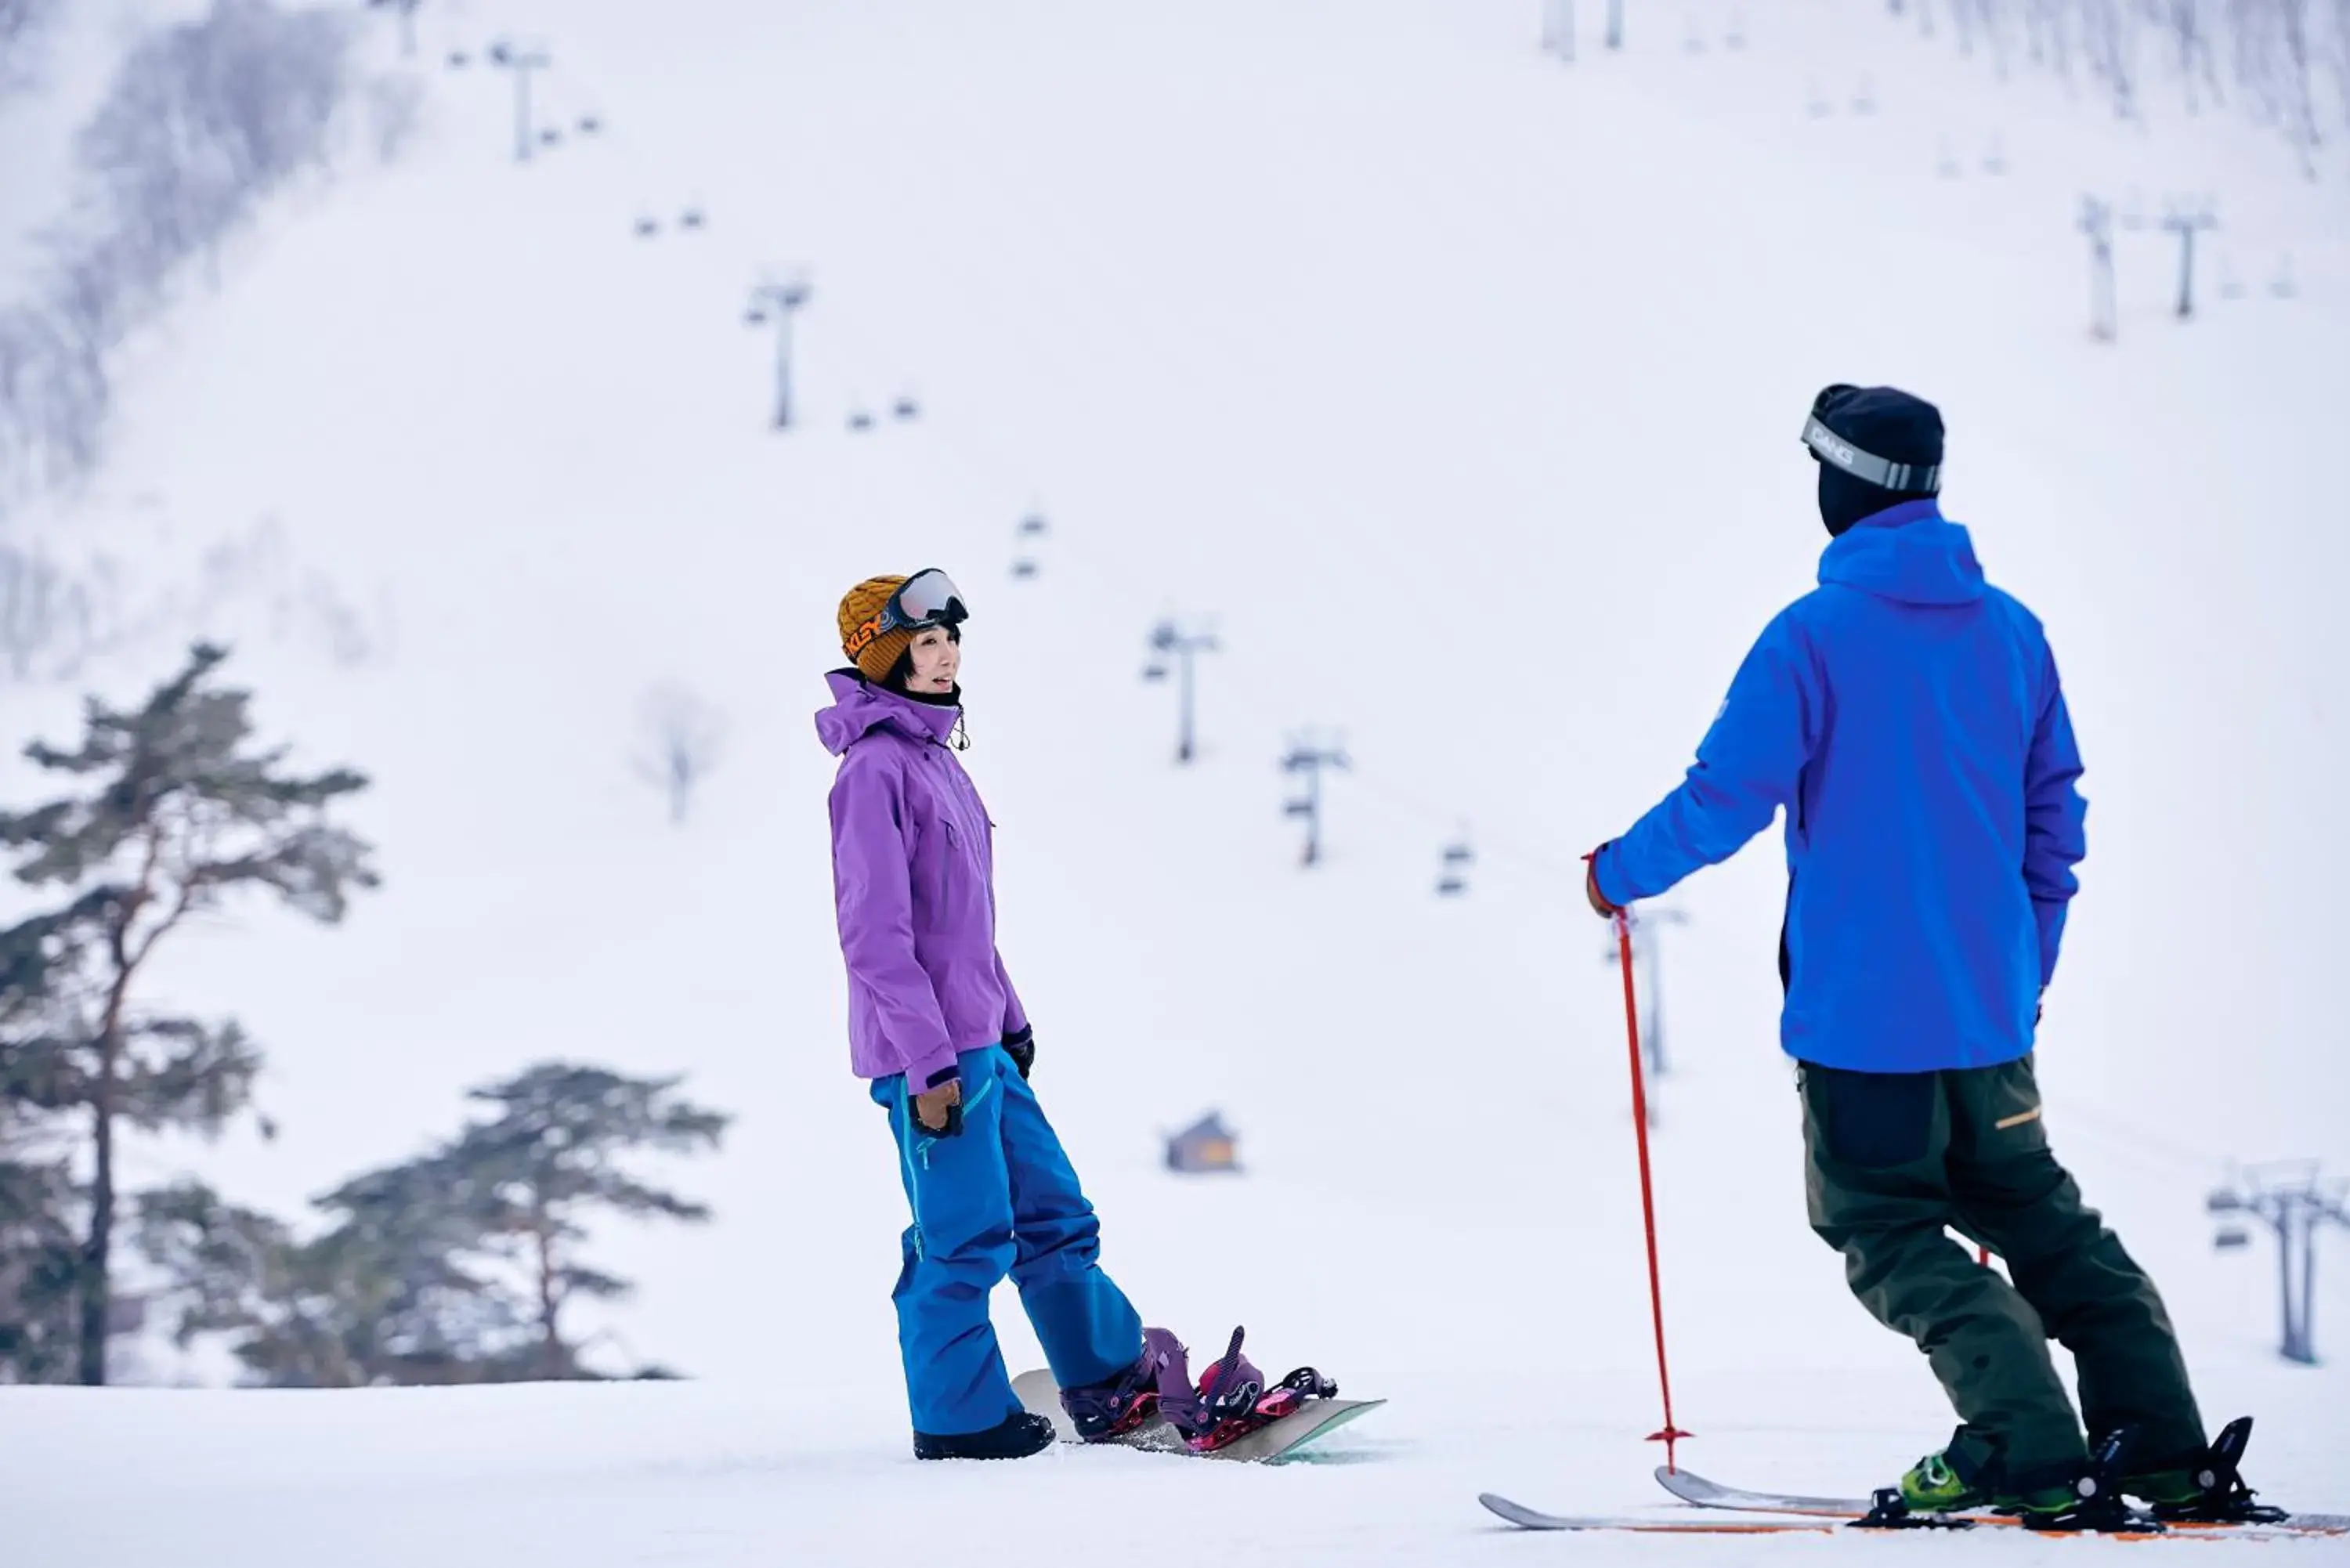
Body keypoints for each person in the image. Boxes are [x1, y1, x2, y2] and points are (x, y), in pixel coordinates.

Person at [1580, 388, 2269, 1528]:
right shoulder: (2013, 631)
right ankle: (2162, 1447)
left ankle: (2021, 1440)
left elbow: (1726, 797)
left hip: (1863, 1029)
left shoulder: (1812, 636)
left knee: (1886, 1226)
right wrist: (2018, 969)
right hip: (1991, 1021)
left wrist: (1616, 873)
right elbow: (2057, 825)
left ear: (1838, 487)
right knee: (2045, 1222)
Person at [818, 569, 1181, 1460]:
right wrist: (927, 1062)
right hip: (931, 1058)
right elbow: (876, 937)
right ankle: (959, 1419)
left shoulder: (939, 762)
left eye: (951, 641)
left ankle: (1103, 1373)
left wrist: (1010, 1016)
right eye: (925, 643)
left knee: (1055, 1212)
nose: (944, 658)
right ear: (882, 656)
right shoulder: (872, 773)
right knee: (963, 1236)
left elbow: (964, 923)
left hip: (983, 1043)